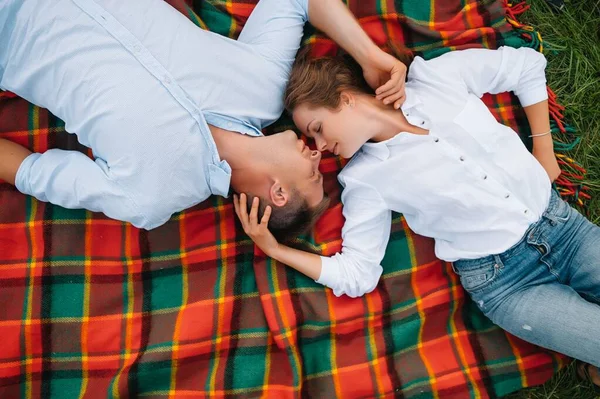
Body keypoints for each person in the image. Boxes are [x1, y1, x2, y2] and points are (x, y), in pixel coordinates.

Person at [233, 46, 600, 385]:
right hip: (508, 283)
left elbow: (526, 66)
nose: (321, 148)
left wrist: (544, 149)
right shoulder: (362, 179)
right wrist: (276, 249)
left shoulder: (434, 78)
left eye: (318, 130)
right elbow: (357, 274)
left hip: (566, 231)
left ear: (344, 99)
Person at [0, 0, 406, 242]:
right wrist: (370, 57)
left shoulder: (147, 197)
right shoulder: (266, 89)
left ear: (278, 193)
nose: (319, 155)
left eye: (315, 175)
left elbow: (28, 172)